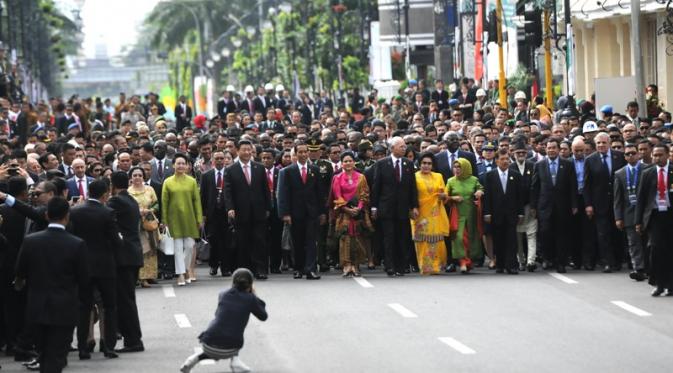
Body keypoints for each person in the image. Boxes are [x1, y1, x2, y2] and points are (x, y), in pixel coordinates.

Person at [14, 197, 89, 373]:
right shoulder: (77, 244)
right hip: (65, 308)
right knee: (56, 355)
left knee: (44, 353)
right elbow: (84, 280)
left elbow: (20, 272)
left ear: (46, 215)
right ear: (67, 216)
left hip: (37, 306)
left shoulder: (31, 241)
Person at [69, 179, 122, 359]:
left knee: (84, 307)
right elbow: (115, 241)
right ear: (105, 194)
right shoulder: (108, 213)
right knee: (109, 306)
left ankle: (83, 347)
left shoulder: (75, 212)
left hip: (82, 265)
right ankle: (108, 346)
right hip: (105, 265)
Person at [180, 268, 267, 373]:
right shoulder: (250, 298)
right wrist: (254, 296)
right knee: (232, 331)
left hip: (208, 344)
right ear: (250, 284)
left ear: (233, 282)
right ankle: (235, 361)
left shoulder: (223, 294)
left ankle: (193, 359)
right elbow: (263, 316)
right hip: (231, 348)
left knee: (224, 327)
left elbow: (218, 313)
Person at [107, 171, 145, 353]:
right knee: (128, 299)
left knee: (125, 300)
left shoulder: (115, 201)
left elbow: (103, 216)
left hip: (123, 256)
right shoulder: (131, 200)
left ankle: (133, 340)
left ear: (112, 185)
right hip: (133, 254)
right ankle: (133, 338)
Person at [371, 137, 419, 276]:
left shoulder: (408, 164)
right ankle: (390, 265)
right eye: (401, 147)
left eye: (404, 147)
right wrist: (374, 207)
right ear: (392, 148)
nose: (404, 149)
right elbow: (376, 187)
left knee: (403, 237)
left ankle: (402, 265)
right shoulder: (381, 163)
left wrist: (414, 206)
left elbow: (412, 187)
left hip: (403, 208)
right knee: (389, 238)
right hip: (386, 207)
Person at [277, 142, 326, 280]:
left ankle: (310, 269)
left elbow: (319, 192)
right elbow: (282, 194)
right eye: (301, 152)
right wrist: (285, 213)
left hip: (312, 212)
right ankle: (298, 268)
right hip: (294, 212)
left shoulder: (314, 170)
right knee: (297, 241)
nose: (304, 154)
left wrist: (322, 212)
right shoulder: (286, 171)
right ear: (296, 154)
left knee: (311, 241)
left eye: (306, 152)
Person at [224, 140, 271, 279]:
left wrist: (268, 207)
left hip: (258, 212)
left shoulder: (259, 168)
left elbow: (265, 189)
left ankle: (260, 269)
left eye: (249, 150)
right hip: (240, 212)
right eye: (243, 149)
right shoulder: (231, 169)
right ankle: (244, 272)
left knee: (259, 241)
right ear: (238, 151)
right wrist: (230, 208)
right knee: (242, 242)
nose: (246, 152)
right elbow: (228, 191)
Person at [530, 137, 578, 273]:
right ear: (546, 149)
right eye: (549, 148)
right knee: (545, 234)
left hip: (563, 206)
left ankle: (561, 262)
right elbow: (535, 187)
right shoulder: (539, 165)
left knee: (562, 235)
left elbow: (572, 186)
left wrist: (574, 204)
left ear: (558, 149)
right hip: (545, 206)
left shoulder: (568, 164)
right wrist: (533, 206)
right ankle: (547, 258)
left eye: (554, 147)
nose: (551, 150)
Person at [583, 132, 626, 272]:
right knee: (603, 234)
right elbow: (587, 184)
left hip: (617, 202)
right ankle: (607, 261)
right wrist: (588, 204)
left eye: (604, 142)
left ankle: (618, 261)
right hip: (599, 203)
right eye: (598, 143)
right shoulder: (590, 160)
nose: (601, 145)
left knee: (617, 233)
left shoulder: (619, 156)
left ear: (609, 143)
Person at [635, 143, 673, 296]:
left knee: (670, 250)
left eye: (660, 155)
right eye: (655, 155)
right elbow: (641, 198)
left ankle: (671, 285)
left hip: (670, 214)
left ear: (667, 155)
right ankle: (658, 283)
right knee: (656, 250)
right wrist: (638, 221)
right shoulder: (648, 173)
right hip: (655, 216)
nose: (657, 158)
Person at [330, 151, 373, 277]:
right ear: (342, 164)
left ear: (354, 162)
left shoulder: (361, 177)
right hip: (344, 212)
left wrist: (358, 209)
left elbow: (364, 195)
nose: (348, 163)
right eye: (345, 161)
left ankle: (356, 265)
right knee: (345, 238)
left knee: (358, 237)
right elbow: (337, 196)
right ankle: (347, 265)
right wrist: (347, 210)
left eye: (350, 161)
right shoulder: (337, 178)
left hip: (358, 212)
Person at [162, 153, 203, 286]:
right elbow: (164, 202)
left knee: (190, 246)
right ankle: (180, 274)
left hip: (190, 218)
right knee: (178, 248)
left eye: (183, 163)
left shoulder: (191, 181)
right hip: (173, 219)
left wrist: (199, 218)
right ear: (173, 165)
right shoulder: (167, 182)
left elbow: (197, 201)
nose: (180, 166)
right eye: (178, 163)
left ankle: (185, 269)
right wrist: (164, 220)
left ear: (187, 166)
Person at [483, 149, 525, 274]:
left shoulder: (515, 175)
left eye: (507, 159)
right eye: (502, 159)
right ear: (496, 161)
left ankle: (511, 265)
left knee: (511, 240)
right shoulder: (490, 175)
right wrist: (487, 213)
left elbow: (519, 196)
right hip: (496, 214)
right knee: (498, 239)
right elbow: (488, 196)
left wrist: (520, 212)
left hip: (511, 214)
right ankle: (500, 264)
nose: (505, 161)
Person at [613, 143, 648, 282]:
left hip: (646, 212)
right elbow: (617, 198)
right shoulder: (620, 173)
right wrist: (618, 217)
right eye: (627, 154)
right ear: (625, 157)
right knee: (633, 243)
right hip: (628, 213)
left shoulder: (647, 169)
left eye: (633, 153)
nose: (631, 156)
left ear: (638, 154)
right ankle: (638, 268)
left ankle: (649, 268)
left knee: (648, 242)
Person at [410, 152, 449, 275]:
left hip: (435, 213)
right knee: (422, 241)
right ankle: (425, 267)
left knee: (436, 240)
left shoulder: (438, 176)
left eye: (429, 163)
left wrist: (443, 196)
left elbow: (445, 194)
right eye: (424, 163)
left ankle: (436, 266)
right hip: (420, 212)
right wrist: (413, 208)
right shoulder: (414, 177)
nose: (426, 166)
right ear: (419, 164)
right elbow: (410, 195)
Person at [445, 158, 484, 273]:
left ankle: (468, 262)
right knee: (459, 238)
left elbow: (480, 188)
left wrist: (479, 192)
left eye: (459, 167)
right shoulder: (451, 181)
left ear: (466, 168)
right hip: (458, 214)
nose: (456, 170)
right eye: (455, 167)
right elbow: (445, 197)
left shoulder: (474, 180)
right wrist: (453, 198)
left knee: (471, 238)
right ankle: (462, 261)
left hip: (472, 213)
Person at [200, 150, 233, 277]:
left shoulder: (230, 173)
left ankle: (226, 267)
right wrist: (203, 214)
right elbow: (203, 196)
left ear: (225, 160)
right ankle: (213, 265)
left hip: (226, 213)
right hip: (212, 214)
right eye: (217, 158)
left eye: (221, 158)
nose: (219, 161)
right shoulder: (206, 175)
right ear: (213, 160)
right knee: (213, 240)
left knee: (226, 241)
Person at [128, 166, 160, 287]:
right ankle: (141, 278)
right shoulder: (128, 192)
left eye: (140, 175)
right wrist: (138, 211)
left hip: (149, 223)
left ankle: (151, 275)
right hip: (136, 225)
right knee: (142, 250)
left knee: (152, 249)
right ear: (131, 178)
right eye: (135, 175)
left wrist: (149, 210)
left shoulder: (150, 189)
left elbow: (157, 204)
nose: (137, 177)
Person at [510, 141, 538, 272]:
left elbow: (535, 187)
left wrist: (534, 206)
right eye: (518, 153)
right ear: (513, 154)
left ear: (526, 153)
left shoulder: (533, 166)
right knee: (518, 236)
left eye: (523, 152)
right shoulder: (510, 167)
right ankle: (521, 261)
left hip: (530, 206)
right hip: (516, 208)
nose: (521, 154)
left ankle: (531, 261)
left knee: (531, 233)